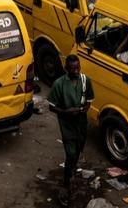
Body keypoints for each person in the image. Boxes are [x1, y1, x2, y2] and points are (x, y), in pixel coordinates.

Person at [47, 54, 94, 207]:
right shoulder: (59, 84)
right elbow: (51, 106)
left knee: (79, 148)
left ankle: (71, 168)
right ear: (66, 68)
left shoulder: (86, 81)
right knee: (71, 152)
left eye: (77, 68)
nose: (75, 71)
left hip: (81, 122)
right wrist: (66, 112)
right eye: (72, 68)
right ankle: (66, 183)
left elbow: (89, 101)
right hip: (67, 123)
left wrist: (82, 110)